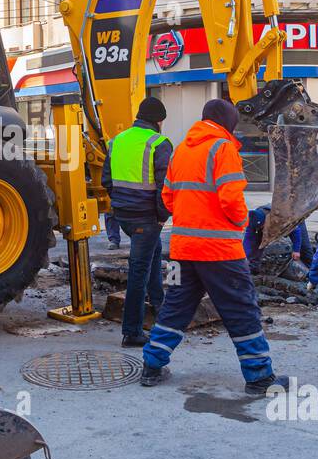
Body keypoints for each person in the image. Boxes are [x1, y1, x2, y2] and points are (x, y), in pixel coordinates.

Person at [140, 99, 288, 394]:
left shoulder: (181, 149)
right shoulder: (223, 149)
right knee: (241, 309)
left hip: (182, 250)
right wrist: (241, 223)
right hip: (219, 251)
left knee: (175, 306)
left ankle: (151, 366)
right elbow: (231, 199)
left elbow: (167, 199)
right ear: (227, 123)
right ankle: (259, 377)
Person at [101, 97, 173, 347]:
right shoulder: (159, 143)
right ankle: (131, 331)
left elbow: (106, 180)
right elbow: (165, 187)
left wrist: (121, 203)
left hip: (123, 215)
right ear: (159, 120)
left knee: (153, 255)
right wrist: (162, 217)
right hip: (146, 217)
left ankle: (161, 309)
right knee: (139, 272)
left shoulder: (117, 140)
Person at [242, 205, 314, 273]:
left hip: (294, 217)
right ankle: (254, 268)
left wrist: (296, 250)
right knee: (256, 242)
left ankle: (311, 271)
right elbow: (248, 241)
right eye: (259, 228)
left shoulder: (280, 218)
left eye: (262, 227)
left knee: (304, 247)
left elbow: (296, 232)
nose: (261, 229)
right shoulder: (252, 220)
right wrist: (244, 257)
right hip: (266, 222)